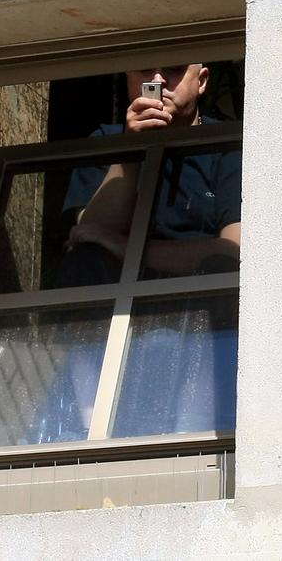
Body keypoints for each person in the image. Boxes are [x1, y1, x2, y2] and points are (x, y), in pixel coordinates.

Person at [31, 63, 241, 443]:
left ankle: (196, 430)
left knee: (218, 269)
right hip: (119, 308)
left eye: (173, 70)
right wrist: (130, 151)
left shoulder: (226, 146)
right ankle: (93, 427)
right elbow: (89, 234)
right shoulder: (107, 141)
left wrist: (130, 250)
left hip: (196, 307)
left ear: (202, 81)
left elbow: (236, 251)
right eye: (144, 71)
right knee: (85, 262)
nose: (157, 82)